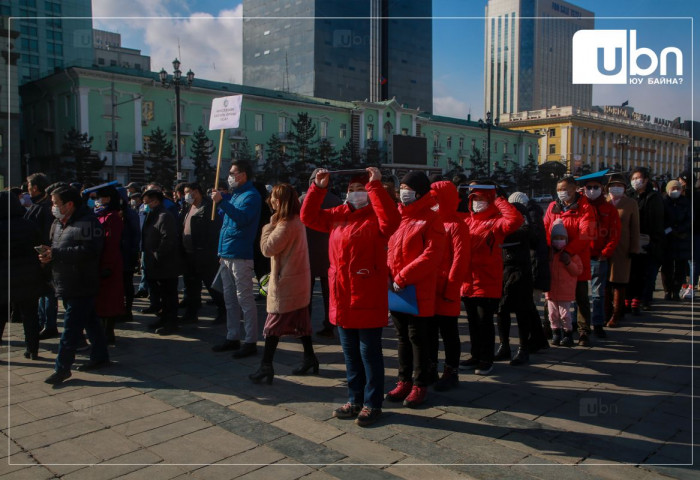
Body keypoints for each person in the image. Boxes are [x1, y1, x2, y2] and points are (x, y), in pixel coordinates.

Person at [301, 167, 400, 426]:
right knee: (350, 354)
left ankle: (372, 403)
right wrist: (318, 188)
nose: (356, 194)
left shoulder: (377, 217)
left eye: (361, 190)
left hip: (367, 296)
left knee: (369, 353)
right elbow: (308, 216)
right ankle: (354, 398)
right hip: (342, 295)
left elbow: (391, 222)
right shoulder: (338, 215)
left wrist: (376, 186)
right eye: (352, 190)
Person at [386, 171, 446, 408]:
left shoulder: (432, 219)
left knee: (418, 338)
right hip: (397, 289)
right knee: (402, 338)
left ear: (420, 191)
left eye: (407, 187)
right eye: (401, 187)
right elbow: (389, 250)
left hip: (417, 289)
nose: (403, 191)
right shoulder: (399, 217)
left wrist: (403, 276)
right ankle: (404, 381)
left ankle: (420, 384)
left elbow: (431, 255)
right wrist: (390, 276)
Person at [39, 187, 109, 385]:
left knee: (70, 329)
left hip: (82, 282)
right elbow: (58, 248)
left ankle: (62, 368)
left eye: (56, 203)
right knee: (91, 322)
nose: (53, 207)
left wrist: (57, 254)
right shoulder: (58, 223)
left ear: (69, 204)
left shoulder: (88, 223)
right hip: (64, 281)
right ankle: (101, 356)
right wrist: (48, 255)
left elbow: (90, 251)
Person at [249, 183, 316, 383]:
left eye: (274, 198)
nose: (271, 201)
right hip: (297, 281)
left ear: (281, 201)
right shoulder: (297, 220)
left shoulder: (285, 224)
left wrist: (268, 226)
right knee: (301, 324)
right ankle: (310, 357)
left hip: (286, 283)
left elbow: (268, 249)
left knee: (273, 327)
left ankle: (266, 366)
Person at [460, 182, 523, 375]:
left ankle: (486, 359)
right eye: (474, 199)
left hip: (486, 280)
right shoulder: (469, 221)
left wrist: (497, 198)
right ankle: (476, 355)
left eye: (481, 199)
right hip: (467, 281)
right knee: (472, 322)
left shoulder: (496, 222)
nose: (477, 202)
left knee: (484, 322)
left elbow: (515, 219)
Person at [210, 160, 262, 358]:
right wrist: (221, 199)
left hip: (240, 254)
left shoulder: (251, 196)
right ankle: (232, 336)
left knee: (245, 299)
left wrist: (222, 201)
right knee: (230, 300)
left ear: (243, 175)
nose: (229, 176)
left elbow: (242, 219)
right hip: (227, 253)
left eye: (233, 173)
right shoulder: (236, 196)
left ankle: (250, 341)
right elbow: (225, 221)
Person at [543, 176, 596, 346]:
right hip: (554, 259)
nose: (561, 192)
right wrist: (551, 249)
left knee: (580, 296)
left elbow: (586, 234)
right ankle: (552, 328)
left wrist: (568, 252)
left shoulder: (586, 207)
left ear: (574, 188)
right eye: (559, 189)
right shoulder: (553, 206)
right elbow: (545, 228)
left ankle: (583, 331)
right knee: (551, 297)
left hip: (575, 258)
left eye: (564, 188)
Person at [429, 181, 470, 388]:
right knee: (430, 332)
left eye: (436, 199)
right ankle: (431, 369)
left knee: (449, 332)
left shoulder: (456, 225)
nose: (432, 202)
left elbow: (460, 260)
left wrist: (451, 289)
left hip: (446, 289)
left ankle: (451, 372)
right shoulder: (431, 221)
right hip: (430, 288)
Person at [299, 168, 343, 338]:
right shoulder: (336, 200)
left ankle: (304, 324)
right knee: (330, 294)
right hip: (329, 253)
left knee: (305, 295)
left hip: (307, 252)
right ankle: (329, 324)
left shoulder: (302, 200)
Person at [495, 192, 538, 366]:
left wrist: (501, 234)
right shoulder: (494, 212)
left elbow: (528, 233)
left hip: (520, 267)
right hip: (501, 267)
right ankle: (504, 345)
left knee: (522, 310)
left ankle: (523, 348)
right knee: (501, 310)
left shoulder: (518, 210)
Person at [0, 192, 42, 359]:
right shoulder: (29, 225)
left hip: (3, 278)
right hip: (28, 276)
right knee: (30, 314)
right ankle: (32, 349)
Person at [180, 182, 226, 324]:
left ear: (196, 192)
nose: (186, 195)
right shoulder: (189, 207)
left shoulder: (208, 208)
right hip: (189, 252)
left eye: (188, 192)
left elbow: (214, 231)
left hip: (204, 253)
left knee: (212, 285)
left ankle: (223, 311)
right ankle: (191, 313)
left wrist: (210, 250)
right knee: (191, 286)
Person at [582, 174, 620, 338]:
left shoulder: (609, 209)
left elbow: (615, 234)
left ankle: (597, 323)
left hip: (599, 257)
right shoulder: (581, 207)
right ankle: (582, 325)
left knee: (598, 294)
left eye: (595, 187)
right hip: (581, 256)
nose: (592, 190)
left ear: (602, 189)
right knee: (580, 294)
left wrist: (605, 253)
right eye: (589, 188)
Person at [141, 189, 181, 335]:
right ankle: (164, 318)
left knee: (169, 295)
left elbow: (168, 240)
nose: (145, 205)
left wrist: (157, 254)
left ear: (155, 201)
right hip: (156, 265)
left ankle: (171, 322)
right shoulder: (153, 215)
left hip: (166, 264)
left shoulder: (164, 216)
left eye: (147, 202)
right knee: (162, 295)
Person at [25, 173, 59, 340]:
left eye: (29, 187)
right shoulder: (37, 205)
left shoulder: (44, 208)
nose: (28, 190)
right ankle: (42, 322)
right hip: (37, 257)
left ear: (36, 188)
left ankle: (49, 324)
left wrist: (44, 253)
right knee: (42, 293)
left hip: (45, 256)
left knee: (48, 293)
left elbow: (47, 234)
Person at [605, 173, 640, 328]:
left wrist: (634, 247)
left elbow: (635, 227)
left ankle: (616, 314)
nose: (616, 188)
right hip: (604, 246)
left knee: (619, 281)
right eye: (613, 186)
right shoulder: (604, 201)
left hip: (623, 246)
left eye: (619, 186)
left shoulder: (630, 203)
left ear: (624, 188)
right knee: (604, 281)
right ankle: (605, 312)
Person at [627, 167, 664, 313]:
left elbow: (657, 220)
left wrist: (654, 240)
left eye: (639, 178)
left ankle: (645, 299)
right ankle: (631, 299)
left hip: (649, 238)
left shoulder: (653, 197)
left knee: (647, 272)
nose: (636, 181)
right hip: (632, 237)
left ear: (646, 179)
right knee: (632, 272)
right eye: (633, 178)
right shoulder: (629, 195)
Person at [93, 186, 125, 344]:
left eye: (101, 197)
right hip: (99, 262)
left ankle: (108, 332)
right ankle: (102, 330)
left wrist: (107, 265)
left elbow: (112, 243)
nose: (98, 201)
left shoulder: (113, 217)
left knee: (110, 299)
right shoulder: (99, 215)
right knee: (101, 299)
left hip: (109, 263)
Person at [546, 219, 583, 346]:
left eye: (562, 237)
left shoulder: (571, 255)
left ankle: (568, 334)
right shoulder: (549, 254)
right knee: (552, 315)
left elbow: (578, 270)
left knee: (565, 315)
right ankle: (555, 333)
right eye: (556, 237)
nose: (559, 240)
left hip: (565, 292)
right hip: (551, 292)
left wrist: (568, 263)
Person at [660, 180, 691, 300]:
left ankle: (676, 291)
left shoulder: (685, 202)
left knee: (681, 267)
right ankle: (667, 290)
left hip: (682, 238)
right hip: (667, 238)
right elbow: (661, 218)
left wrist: (681, 230)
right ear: (668, 190)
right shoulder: (663, 202)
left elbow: (689, 219)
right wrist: (669, 230)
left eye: (678, 189)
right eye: (673, 189)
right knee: (667, 266)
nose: (675, 191)